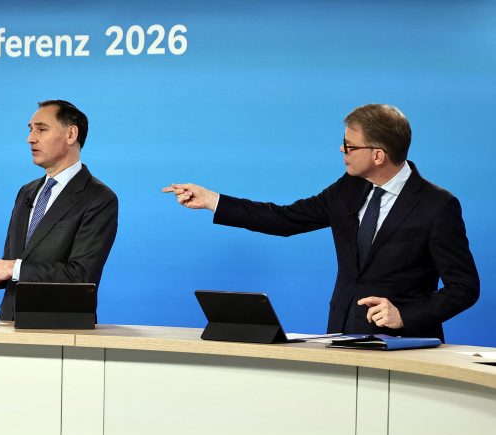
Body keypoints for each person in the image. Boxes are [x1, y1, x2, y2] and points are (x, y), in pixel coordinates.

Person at [163, 104, 478, 340]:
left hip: (406, 345)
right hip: (341, 336)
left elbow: (464, 288)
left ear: (378, 155)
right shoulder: (349, 188)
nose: (342, 150)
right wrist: (213, 200)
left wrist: (405, 315)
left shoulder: (437, 205)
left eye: (350, 145)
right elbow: (285, 219)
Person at [0, 100, 119, 320]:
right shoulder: (27, 192)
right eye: (30, 129)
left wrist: (13, 268)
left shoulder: (98, 198)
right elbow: (11, 265)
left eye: (41, 129)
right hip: (11, 326)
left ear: (70, 134)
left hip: (63, 327)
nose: (30, 138)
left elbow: (81, 276)